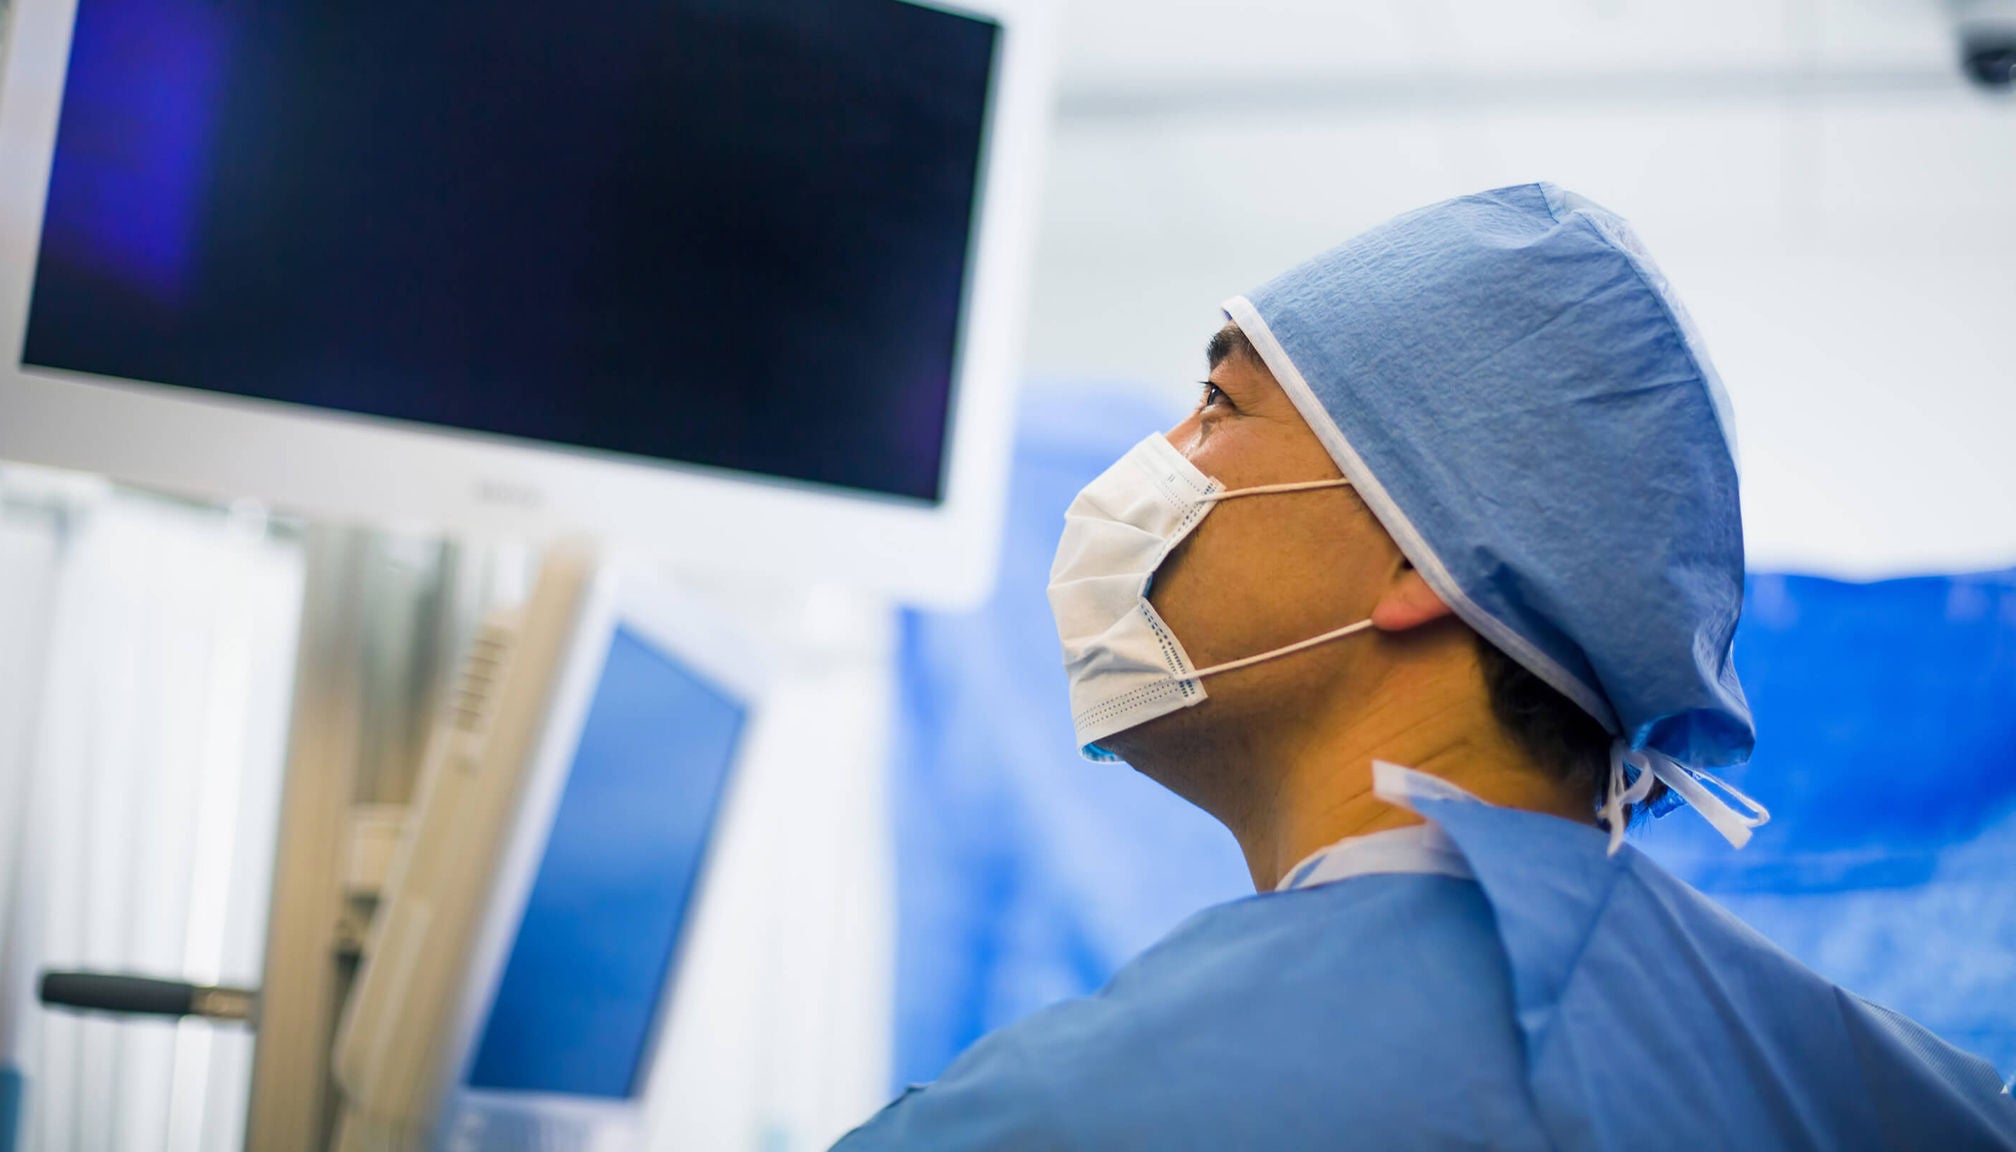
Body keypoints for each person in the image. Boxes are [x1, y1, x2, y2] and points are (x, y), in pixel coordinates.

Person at [832, 184, 2016, 1150]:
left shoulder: (1071, 1117)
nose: (1145, 471)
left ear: (1426, 563)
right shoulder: (1917, 1106)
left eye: (1216, 406)